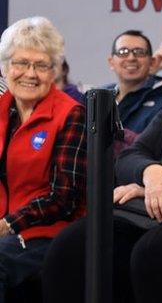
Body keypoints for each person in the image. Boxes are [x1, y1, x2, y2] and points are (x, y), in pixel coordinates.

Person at [42, 30, 162, 303]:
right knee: (71, 245)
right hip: (144, 206)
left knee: (151, 255)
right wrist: (151, 172)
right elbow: (133, 154)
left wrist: (158, 182)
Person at [0, 17, 86, 299]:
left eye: (41, 65)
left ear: (55, 72)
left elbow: (64, 197)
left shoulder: (71, 114)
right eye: (21, 63)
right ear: (5, 67)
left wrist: (10, 224)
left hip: (48, 233)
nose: (30, 74)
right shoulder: (2, 109)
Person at [103, 30, 162, 134]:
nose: (131, 58)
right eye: (123, 52)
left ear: (152, 62)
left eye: (139, 52)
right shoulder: (100, 98)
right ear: (111, 62)